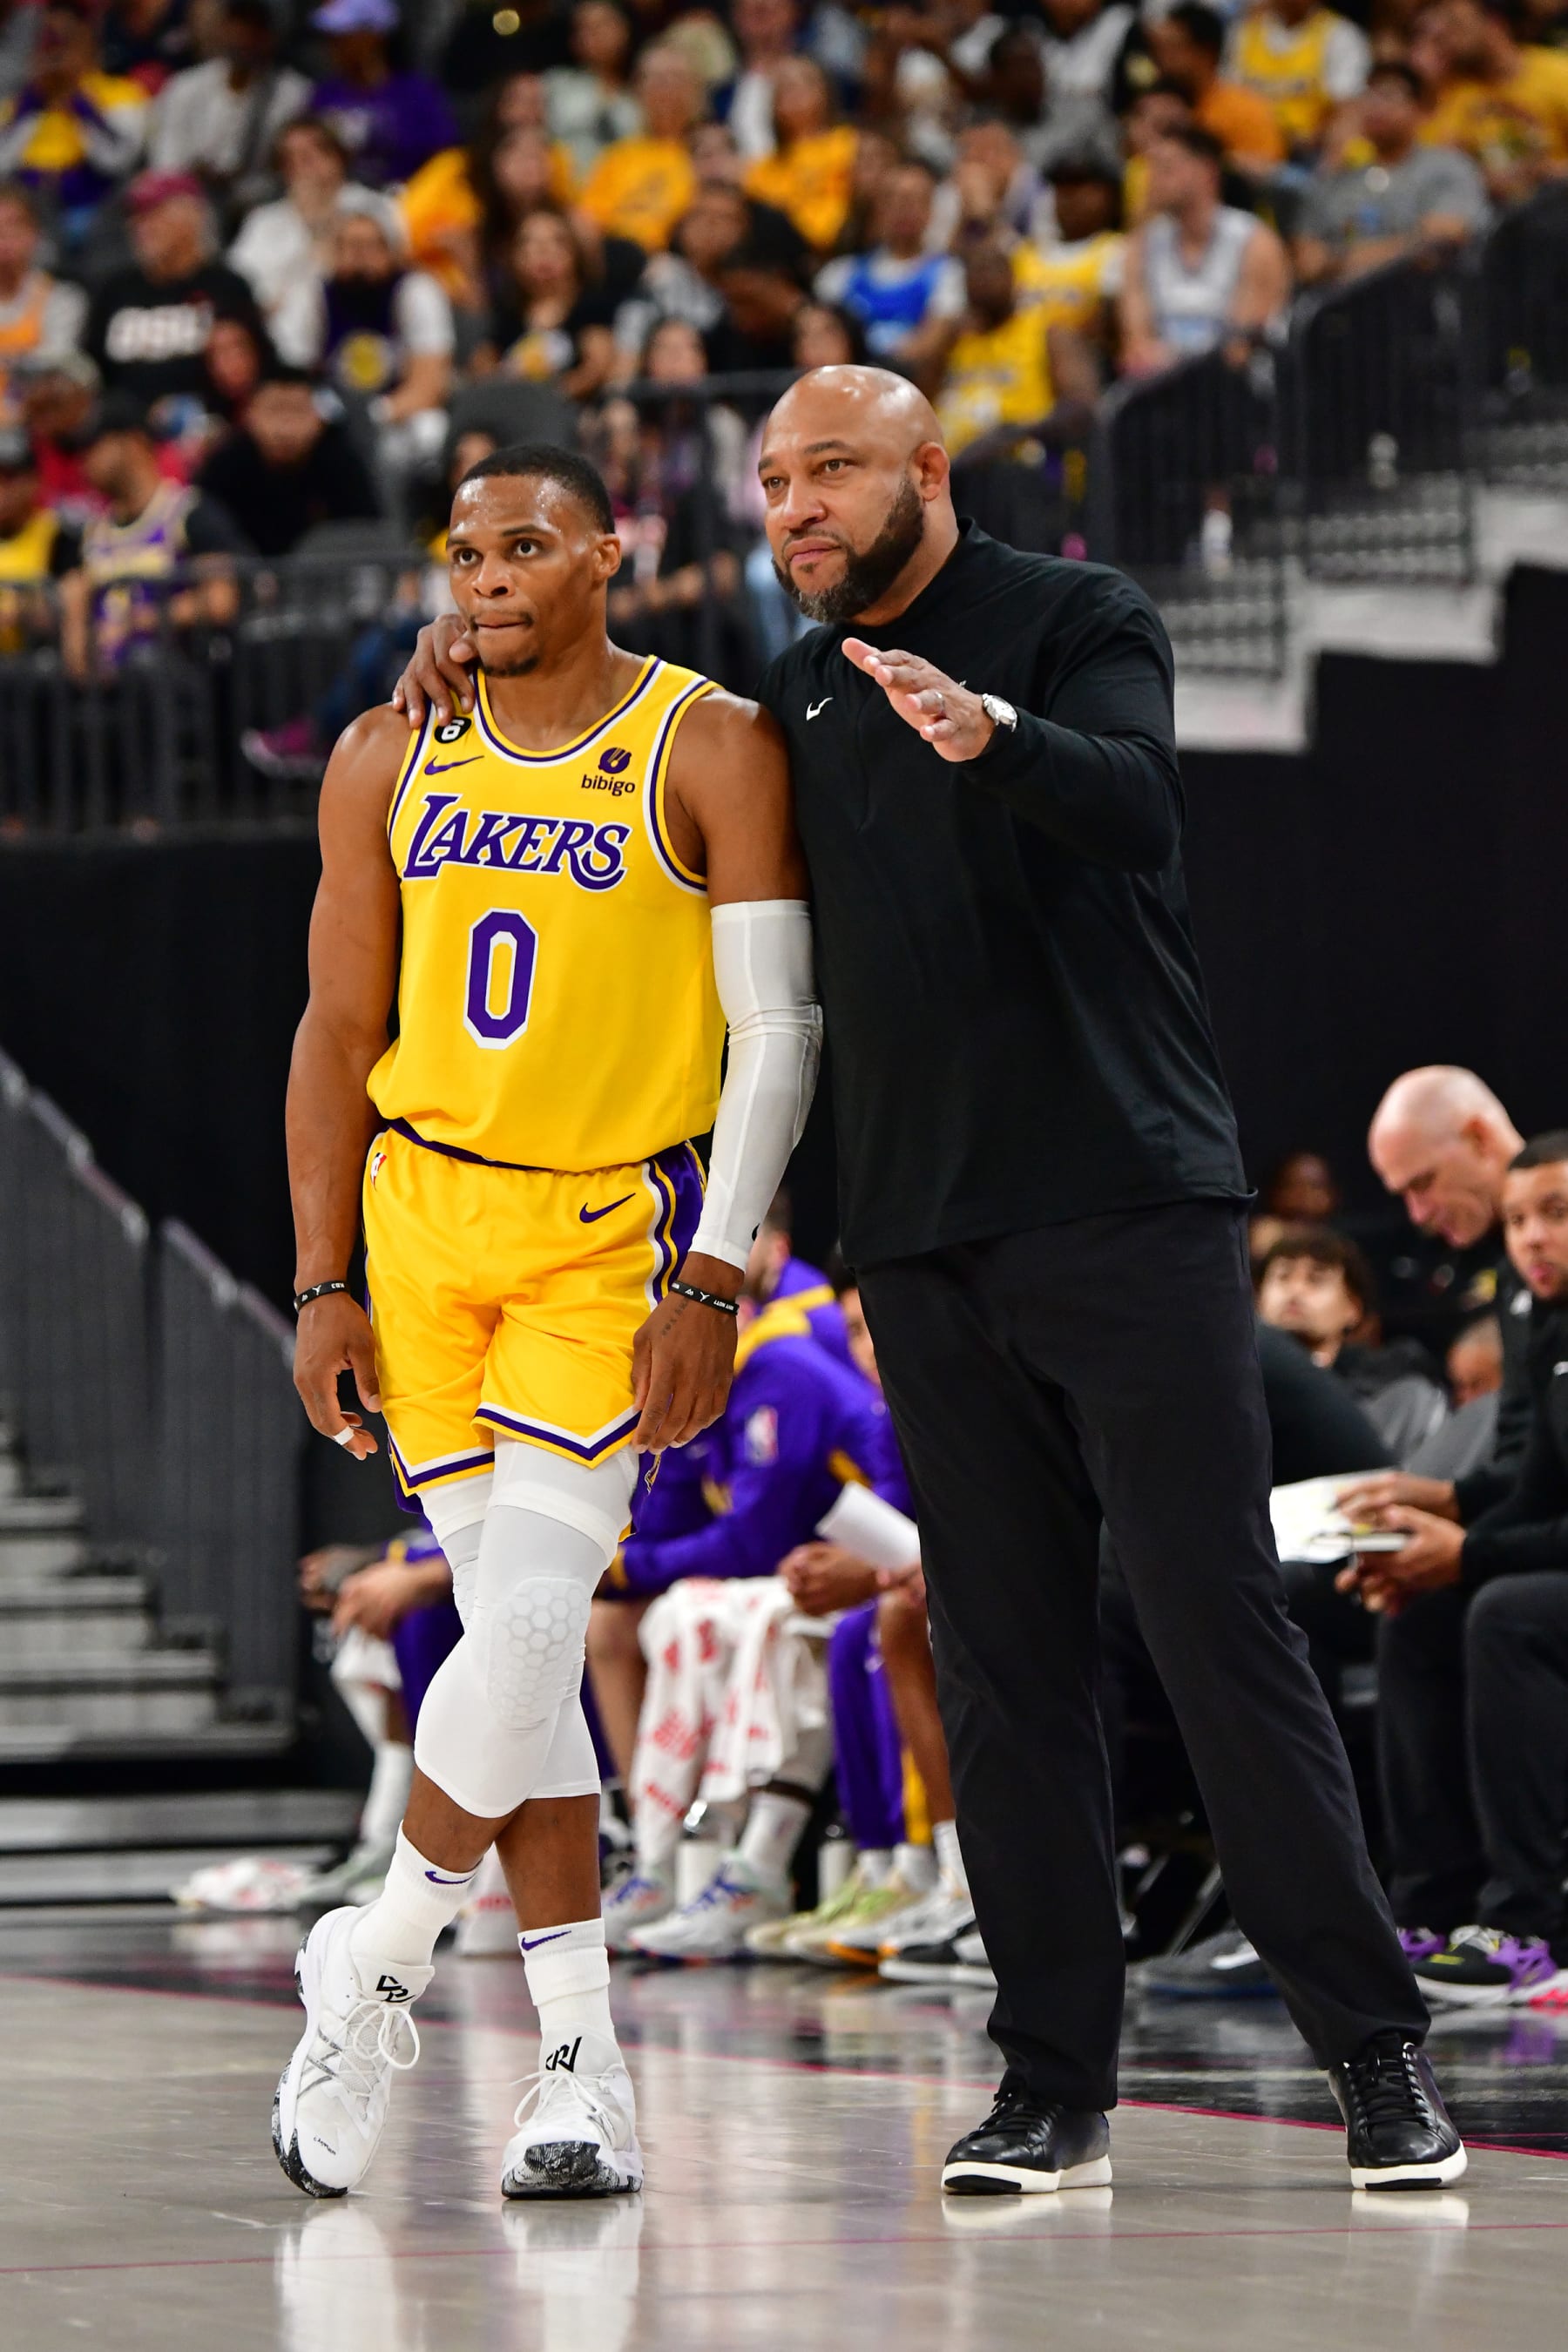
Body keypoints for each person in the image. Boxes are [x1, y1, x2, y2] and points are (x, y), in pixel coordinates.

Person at [395, 366, 1463, 2194]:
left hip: (1126, 1203)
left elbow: (1139, 809)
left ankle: (1375, 2055)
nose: (796, 507)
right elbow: (614, 724)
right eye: (772, 482)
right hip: (918, 1237)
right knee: (999, 1662)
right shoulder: (782, 700)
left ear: (925, 474)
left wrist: (997, 738)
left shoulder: (1076, 617)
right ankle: (1054, 2079)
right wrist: (462, 658)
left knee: (1218, 1629)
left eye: (831, 473)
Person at [274, 441, 819, 2204]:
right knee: (524, 1680)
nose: (485, 576)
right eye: (463, 552)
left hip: (603, 1231)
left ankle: (377, 1968)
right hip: (418, 1224)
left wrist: (715, 1274)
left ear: (611, 554)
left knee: (518, 1638)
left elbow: (777, 1036)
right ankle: (580, 2065)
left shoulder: (711, 741)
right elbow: (335, 1035)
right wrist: (319, 1279)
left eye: (525, 546)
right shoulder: (387, 752)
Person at [1342, 1134, 1568, 2008]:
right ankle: (1429, 1908)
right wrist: (1425, 1537)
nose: (1532, 1240)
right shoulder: (1538, 1315)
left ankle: (1535, 1925)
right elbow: (1526, 1490)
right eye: (1517, 1221)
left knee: (1506, 1613)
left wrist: (1467, 1553)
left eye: (1555, 1214)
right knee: (1422, 1613)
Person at [1340, 1065, 1532, 1531]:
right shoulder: (1504, 1262)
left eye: (1423, 1183)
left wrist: (1466, 1554)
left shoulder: (1531, 1257)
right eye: (1403, 1195)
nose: (1419, 1214)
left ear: (1479, 1138)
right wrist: (1447, 1502)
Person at [57, 390, 244, 676]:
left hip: (175, 682)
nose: (84, 463)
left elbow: (220, 601)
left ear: (133, 442)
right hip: (105, 690)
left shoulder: (189, 513)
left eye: (93, 448)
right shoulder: (92, 534)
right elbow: (76, 642)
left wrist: (141, 620)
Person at [1255, 1225, 1450, 1460]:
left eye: (1316, 1280)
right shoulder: (1233, 1385)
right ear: (1259, 1300)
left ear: (1353, 1308)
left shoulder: (1394, 1388)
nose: (1295, 1290)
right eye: (1283, 1277)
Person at [84, 168, 266, 413]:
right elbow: (94, 372)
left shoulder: (227, 286)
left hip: (209, 429)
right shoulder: (115, 291)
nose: (141, 226)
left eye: (154, 214)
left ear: (193, 216)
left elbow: (253, 372)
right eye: (136, 217)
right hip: (127, 433)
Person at [1293, 61, 1487, 285]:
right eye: (1369, 95)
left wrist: (1339, 261)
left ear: (1420, 109)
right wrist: (1406, 244)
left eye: (1388, 96)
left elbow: (1441, 242)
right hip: (1342, 308)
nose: (1376, 106)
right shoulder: (1337, 177)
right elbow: (1306, 262)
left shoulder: (1446, 167)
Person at [1118, 125, 1289, 374]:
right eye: (1152, 168)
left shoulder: (1255, 242)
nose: (1154, 178)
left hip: (1234, 390)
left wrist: (1171, 360)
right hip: (1161, 388)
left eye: (1167, 168)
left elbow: (1242, 347)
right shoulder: (1140, 246)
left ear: (1207, 172)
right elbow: (1135, 343)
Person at [147, 0, 310, 222]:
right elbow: (165, 167)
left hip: (259, 213)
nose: (245, 36)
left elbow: (286, 177)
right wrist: (197, 180)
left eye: (257, 27)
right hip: (189, 206)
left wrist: (235, 187)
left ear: (273, 34)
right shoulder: (185, 88)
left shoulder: (292, 96)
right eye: (238, 23)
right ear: (223, 26)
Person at [195, 362, 380, 557]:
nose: (285, 426)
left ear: (317, 419)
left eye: (297, 410)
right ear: (251, 415)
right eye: (275, 410)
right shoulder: (224, 467)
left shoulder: (342, 463)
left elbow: (368, 531)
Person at [936, 239, 1100, 456]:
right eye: (974, 270)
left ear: (1014, 276)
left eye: (992, 268)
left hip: (1020, 462)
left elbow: (1082, 409)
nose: (982, 278)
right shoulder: (954, 339)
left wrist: (1014, 434)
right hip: (952, 468)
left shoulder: (1049, 333)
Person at [0, 0, 147, 238]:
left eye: (65, 45)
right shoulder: (20, 102)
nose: (56, 56)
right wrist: (33, 103)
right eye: (49, 46)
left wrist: (78, 102)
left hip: (93, 211)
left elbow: (119, 159)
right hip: (27, 212)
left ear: (87, 44)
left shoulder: (121, 94)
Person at [229, 118, 368, 371]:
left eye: (308, 156)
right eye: (289, 160)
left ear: (337, 157)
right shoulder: (263, 222)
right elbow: (242, 297)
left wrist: (317, 226)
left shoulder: (373, 208)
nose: (300, 167)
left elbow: (368, 277)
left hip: (358, 347)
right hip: (277, 357)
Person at [814, 158, 966, 369]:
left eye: (914, 200)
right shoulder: (839, 275)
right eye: (894, 199)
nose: (904, 209)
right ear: (878, 208)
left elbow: (933, 342)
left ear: (931, 210)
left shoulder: (948, 273)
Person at [1416, 0, 1568, 204]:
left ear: (1494, 25)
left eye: (1456, 24)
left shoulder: (1557, 73)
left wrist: (1544, 172)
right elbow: (1425, 166)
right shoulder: (1452, 90)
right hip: (1489, 217)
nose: (1445, 35)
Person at [307, 0, 456, 193]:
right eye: (329, 38)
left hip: (407, 204)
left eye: (342, 37)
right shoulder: (324, 95)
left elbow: (446, 161)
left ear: (373, 37)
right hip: (336, 202)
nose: (333, 46)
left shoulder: (417, 95)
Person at [482, 209, 616, 404]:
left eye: (557, 242)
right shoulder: (509, 311)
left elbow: (597, 367)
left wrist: (549, 398)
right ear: (516, 258)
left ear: (574, 252)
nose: (544, 252)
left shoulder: (590, 307)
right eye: (530, 243)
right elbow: (484, 362)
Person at [578, 45, 701, 253]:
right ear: (638, 91)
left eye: (676, 78)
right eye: (657, 79)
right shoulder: (617, 157)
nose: (666, 89)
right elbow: (587, 222)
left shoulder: (707, 151)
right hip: (622, 263)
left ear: (695, 90)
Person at [1147, 3, 1288, 169]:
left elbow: (1272, 177)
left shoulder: (1244, 110)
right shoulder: (1153, 108)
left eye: (1173, 48)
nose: (1161, 58)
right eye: (1158, 49)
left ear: (1206, 53)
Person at [742, 57, 857, 253]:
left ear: (826, 91)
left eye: (805, 81)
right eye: (785, 86)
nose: (795, 90)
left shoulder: (851, 144)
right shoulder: (761, 170)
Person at [1227, 0, 1370, 156]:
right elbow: (1226, 95)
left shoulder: (1341, 36)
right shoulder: (1246, 31)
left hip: (1306, 154)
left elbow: (1345, 113)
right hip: (1245, 146)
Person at [0, 180, 86, 423]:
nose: (4, 238)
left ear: (34, 235)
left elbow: (55, 368)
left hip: (36, 429)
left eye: (13, 226)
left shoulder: (64, 300)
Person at [545, 0, 641, 183]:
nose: (594, 35)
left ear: (624, 30)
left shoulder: (640, 95)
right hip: (567, 195)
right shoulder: (554, 85)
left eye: (603, 25)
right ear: (574, 41)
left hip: (628, 199)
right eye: (584, 28)